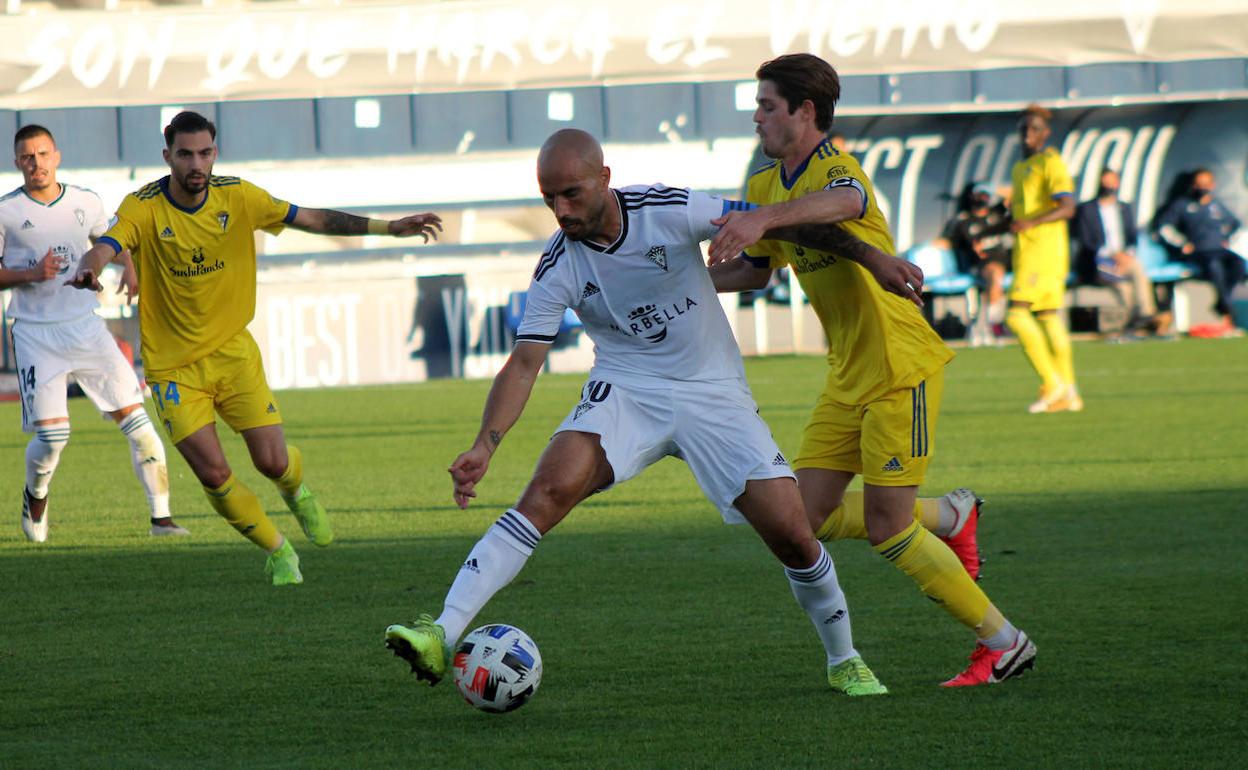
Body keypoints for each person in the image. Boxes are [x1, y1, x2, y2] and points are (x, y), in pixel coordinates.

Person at [385, 128, 890, 697]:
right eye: (549, 198)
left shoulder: (668, 208)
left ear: (605, 177)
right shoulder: (558, 266)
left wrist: (873, 256)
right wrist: (485, 444)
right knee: (546, 492)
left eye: (571, 193)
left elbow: (779, 224)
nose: (561, 210)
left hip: (712, 392)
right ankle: (441, 632)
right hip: (628, 387)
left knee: (795, 537)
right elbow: (524, 364)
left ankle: (844, 658)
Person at [705, 53, 1035, 687]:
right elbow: (755, 268)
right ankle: (950, 516)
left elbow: (844, 202)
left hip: (898, 367)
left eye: (768, 105)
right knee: (803, 519)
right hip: (847, 375)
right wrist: (680, 283)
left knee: (887, 526)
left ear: (805, 112)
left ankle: (1004, 642)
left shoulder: (835, 168)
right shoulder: (771, 183)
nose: (757, 118)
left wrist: (762, 217)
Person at [68, 111, 441, 584]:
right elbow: (106, 243)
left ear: (215, 153)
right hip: (173, 371)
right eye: (185, 154)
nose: (196, 163)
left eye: (204, 152)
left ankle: (297, 492)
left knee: (272, 462)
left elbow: (314, 219)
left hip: (234, 356)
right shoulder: (143, 206)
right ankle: (278, 549)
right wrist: (91, 266)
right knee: (213, 473)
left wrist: (389, 228)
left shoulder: (239, 196)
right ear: (168, 157)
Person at [0, 125, 189, 542]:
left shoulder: (85, 201)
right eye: (28, 157)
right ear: (17, 163)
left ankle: (162, 520)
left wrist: (131, 268)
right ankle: (36, 494)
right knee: (53, 438)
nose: (37, 163)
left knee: (141, 426)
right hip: (35, 334)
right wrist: (31, 274)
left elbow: (112, 239)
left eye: (44, 154)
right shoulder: (6, 212)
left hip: (87, 329)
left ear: (57, 156)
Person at [1002, 105, 1080, 413]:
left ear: (1045, 133)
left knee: (1016, 315)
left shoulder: (1051, 162)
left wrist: (1031, 223)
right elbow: (1022, 212)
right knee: (1048, 316)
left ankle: (1052, 382)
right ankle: (1069, 392)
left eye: (1033, 129)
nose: (1027, 135)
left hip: (1042, 250)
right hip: (1029, 249)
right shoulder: (1022, 166)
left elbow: (1067, 207)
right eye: (1023, 129)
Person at [1072, 169, 1168, 336]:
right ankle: (1140, 321)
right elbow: (1085, 240)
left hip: (1123, 259)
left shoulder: (1124, 208)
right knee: (1124, 288)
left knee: (1137, 269)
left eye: (1112, 182)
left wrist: (1125, 255)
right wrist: (1111, 254)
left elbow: (1132, 236)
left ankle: (1143, 317)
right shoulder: (1087, 209)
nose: (1108, 186)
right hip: (1097, 262)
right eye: (1105, 182)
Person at [1157, 168, 1245, 335]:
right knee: (1214, 267)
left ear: (1212, 185)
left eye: (1206, 184)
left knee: (1239, 264)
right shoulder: (1182, 205)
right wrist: (1181, 243)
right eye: (1199, 184)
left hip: (1219, 249)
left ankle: (1222, 303)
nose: (1202, 187)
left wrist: (1229, 238)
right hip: (1198, 252)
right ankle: (1228, 311)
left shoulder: (1216, 205)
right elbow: (1164, 228)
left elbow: (1236, 225)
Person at [942, 181, 1012, 342]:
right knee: (994, 274)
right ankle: (994, 323)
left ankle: (987, 323)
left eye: (986, 195)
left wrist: (995, 188)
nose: (983, 198)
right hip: (982, 264)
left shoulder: (997, 215)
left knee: (996, 276)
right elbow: (948, 241)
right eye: (980, 194)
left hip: (1004, 260)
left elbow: (1014, 195)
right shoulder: (965, 221)